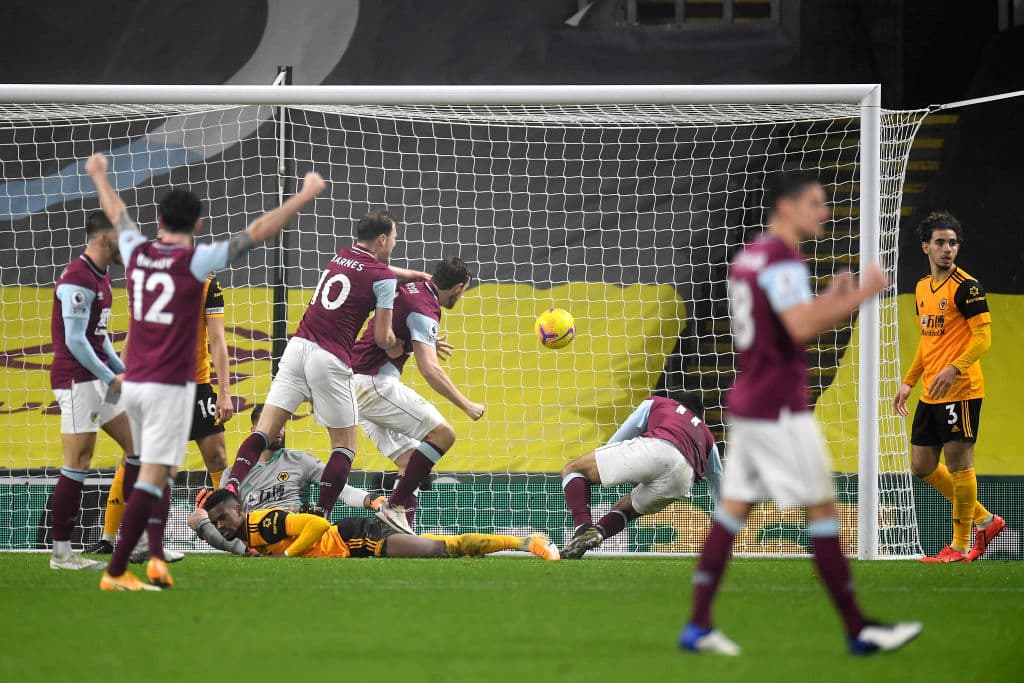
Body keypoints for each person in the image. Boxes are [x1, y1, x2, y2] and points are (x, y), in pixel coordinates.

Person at [679, 172, 921, 656]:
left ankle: (698, 625)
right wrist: (860, 293)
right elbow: (796, 327)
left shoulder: (750, 257)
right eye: (815, 202)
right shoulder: (782, 256)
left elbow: (777, 320)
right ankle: (858, 629)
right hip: (779, 408)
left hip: (750, 399)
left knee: (732, 511)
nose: (825, 211)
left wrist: (829, 298)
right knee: (823, 511)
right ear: (786, 208)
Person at [85, 151, 326, 590]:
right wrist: (304, 194)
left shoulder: (136, 251)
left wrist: (99, 175)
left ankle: (151, 559)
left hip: (131, 383)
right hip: (168, 388)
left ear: (158, 218)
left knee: (157, 474)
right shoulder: (195, 263)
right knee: (153, 478)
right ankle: (118, 568)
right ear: (197, 225)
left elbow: (117, 213)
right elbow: (256, 232)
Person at [226, 211, 430, 531]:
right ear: (381, 240)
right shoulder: (383, 278)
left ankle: (231, 486)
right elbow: (382, 336)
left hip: (297, 348)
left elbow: (378, 270)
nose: (395, 242)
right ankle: (319, 518)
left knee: (263, 431)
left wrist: (410, 274)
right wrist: (397, 345)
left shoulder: (342, 255)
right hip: (329, 357)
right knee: (344, 447)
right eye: (394, 238)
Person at [86, 271, 233, 561]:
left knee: (217, 458)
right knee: (135, 457)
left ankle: (238, 530)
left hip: (197, 387)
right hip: (156, 386)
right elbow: (135, 336)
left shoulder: (207, 283)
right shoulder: (147, 281)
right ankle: (108, 537)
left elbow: (217, 340)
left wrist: (224, 391)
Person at [893, 211, 1004, 562]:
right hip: (931, 392)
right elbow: (929, 343)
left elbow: (983, 338)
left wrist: (955, 368)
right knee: (922, 465)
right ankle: (986, 520)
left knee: (959, 465)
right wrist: (908, 382)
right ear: (925, 246)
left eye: (952, 243)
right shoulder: (923, 288)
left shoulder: (967, 288)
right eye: (940, 242)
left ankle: (958, 546)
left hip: (962, 390)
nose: (947, 249)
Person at [350, 256, 483, 533]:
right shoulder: (424, 309)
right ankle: (393, 508)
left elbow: (386, 299)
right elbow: (429, 370)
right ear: (458, 287)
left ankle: (401, 535)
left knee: (412, 463)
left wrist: (397, 339)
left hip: (356, 382)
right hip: (373, 384)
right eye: (465, 290)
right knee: (444, 435)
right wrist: (466, 405)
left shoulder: (415, 285)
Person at [47, 211, 137, 570]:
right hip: (76, 380)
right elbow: (75, 342)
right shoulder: (77, 279)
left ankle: (138, 534)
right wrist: (111, 376)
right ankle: (61, 553)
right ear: (103, 238)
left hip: (97, 380)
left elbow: (99, 342)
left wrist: (122, 372)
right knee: (78, 462)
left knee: (137, 445)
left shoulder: (102, 277)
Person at [188, 404, 382, 555]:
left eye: (281, 425)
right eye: (273, 426)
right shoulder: (233, 472)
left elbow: (340, 489)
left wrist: (371, 500)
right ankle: (248, 551)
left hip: (292, 532)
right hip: (255, 539)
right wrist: (207, 512)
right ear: (255, 430)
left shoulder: (300, 460)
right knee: (196, 517)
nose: (279, 430)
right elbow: (227, 521)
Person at [558, 393, 723, 559]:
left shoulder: (659, 402)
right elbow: (719, 486)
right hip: (684, 478)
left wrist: (608, 464)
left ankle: (582, 528)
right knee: (627, 509)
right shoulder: (707, 435)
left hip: (658, 447)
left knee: (573, 469)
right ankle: (596, 533)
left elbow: (621, 437)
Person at [197, 488, 560, 561]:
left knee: (438, 550)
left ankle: (526, 542)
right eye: (216, 522)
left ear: (240, 510)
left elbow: (317, 525)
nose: (221, 525)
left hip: (358, 538)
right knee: (438, 545)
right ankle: (505, 545)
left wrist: (289, 554)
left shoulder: (265, 523)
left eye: (223, 518)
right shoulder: (250, 537)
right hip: (354, 543)